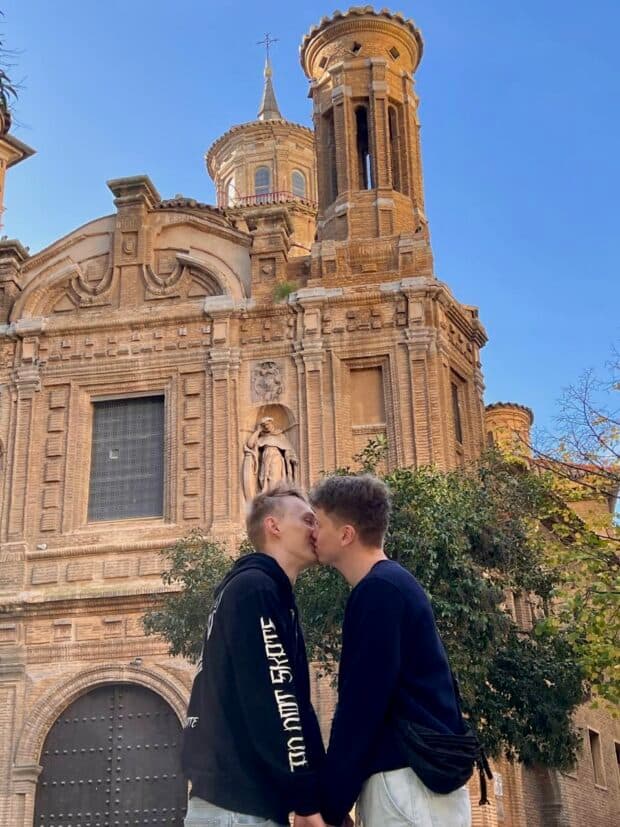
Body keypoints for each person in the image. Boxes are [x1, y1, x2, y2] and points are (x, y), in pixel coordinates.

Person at [307, 474, 475, 827]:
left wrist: (330, 807)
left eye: (318, 523)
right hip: (418, 787)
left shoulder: (378, 592)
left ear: (346, 534)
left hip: (405, 788)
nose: (312, 533)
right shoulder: (395, 584)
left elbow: (362, 705)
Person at [182, 484, 326, 827]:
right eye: (308, 520)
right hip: (239, 809)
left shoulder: (256, 588)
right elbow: (277, 700)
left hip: (238, 805)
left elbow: (292, 703)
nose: (316, 529)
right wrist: (306, 803)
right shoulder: (256, 589)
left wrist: (317, 795)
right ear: (273, 526)